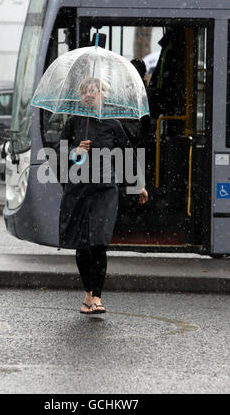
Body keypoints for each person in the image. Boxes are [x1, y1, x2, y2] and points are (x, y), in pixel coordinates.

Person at [58, 77, 148, 314]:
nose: (90, 95)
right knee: (82, 245)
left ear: (102, 95)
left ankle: (97, 296)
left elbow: (127, 153)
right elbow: (59, 151)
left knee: (98, 243)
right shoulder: (74, 122)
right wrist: (75, 151)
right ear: (81, 96)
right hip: (78, 190)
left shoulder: (112, 124)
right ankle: (87, 294)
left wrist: (138, 185)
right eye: (86, 92)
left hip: (105, 190)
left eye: (94, 91)